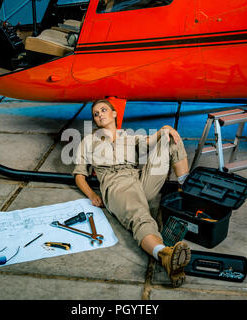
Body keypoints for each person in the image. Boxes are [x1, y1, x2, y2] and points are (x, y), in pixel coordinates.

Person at [72, 99, 191, 287]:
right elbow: (79, 174)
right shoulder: (88, 141)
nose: (100, 114)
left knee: (169, 138)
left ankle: (188, 192)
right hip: (116, 184)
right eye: (96, 114)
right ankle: (164, 255)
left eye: (104, 110)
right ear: (95, 121)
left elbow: (153, 140)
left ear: (114, 113)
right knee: (141, 216)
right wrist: (92, 195)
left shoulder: (128, 136)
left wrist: (167, 128)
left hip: (139, 179)